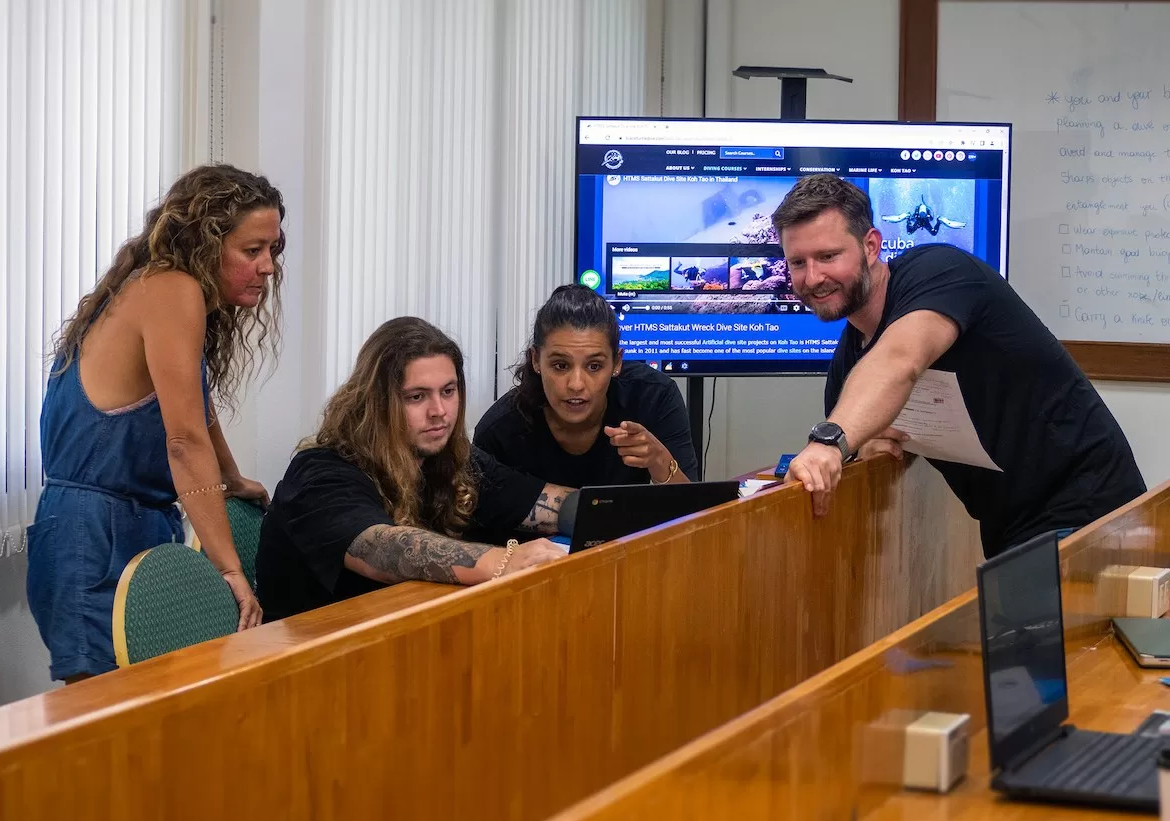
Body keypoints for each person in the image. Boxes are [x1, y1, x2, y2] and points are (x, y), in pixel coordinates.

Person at [772, 173, 1145, 558]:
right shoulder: (849, 365)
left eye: (828, 256)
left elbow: (901, 359)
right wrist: (864, 444)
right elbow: (873, 426)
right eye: (798, 262)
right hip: (1010, 529)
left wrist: (831, 442)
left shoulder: (939, 272)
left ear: (871, 246)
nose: (813, 277)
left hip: (1090, 508)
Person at [27, 164, 285, 682]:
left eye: (273, 250)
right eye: (251, 250)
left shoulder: (161, 289)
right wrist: (229, 570)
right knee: (107, 728)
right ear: (207, 243)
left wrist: (231, 477)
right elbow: (184, 440)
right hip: (91, 533)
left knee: (151, 722)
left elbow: (195, 410)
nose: (268, 267)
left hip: (131, 523)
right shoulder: (172, 288)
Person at [255, 317, 572, 621]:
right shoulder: (321, 473)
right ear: (378, 403)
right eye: (417, 397)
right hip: (308, 658)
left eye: (448, 391)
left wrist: (611, 511)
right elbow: (380, 549)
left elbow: (547, 504)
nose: (439, 412)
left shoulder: (453, 460)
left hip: (402, 646)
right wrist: (504, 560)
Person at [473, 283, 699, 489]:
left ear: (616, 363)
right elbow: (477, 528)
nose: (576, 384)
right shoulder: (499, 431)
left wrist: (659, 460)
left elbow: (696, 514)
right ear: (535, 360)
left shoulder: (653, 396)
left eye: (594, 366)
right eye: (561, 365)